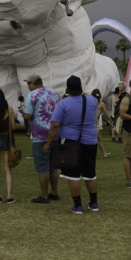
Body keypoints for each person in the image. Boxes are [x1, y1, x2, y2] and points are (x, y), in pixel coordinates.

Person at [44, 76, 99, 214]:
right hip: (90, 142)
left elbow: (55, 125)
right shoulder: (92, 100)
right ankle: (94, 203)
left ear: (67, 88)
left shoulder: (63, 104)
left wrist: (48, 143)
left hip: (71, 142)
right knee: (90, 174)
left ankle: (78, 206)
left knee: (73, 175)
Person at [21, 74, 61, 203]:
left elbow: (27, 116)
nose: (28, 86)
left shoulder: (32, 95)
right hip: (55, 134)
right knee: (53, 167)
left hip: (40, 136)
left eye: (28, 84)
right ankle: (54, 193)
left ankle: (44, 196)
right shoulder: (54, 93)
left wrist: (22, 110)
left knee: (42, 167)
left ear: (33, 83)